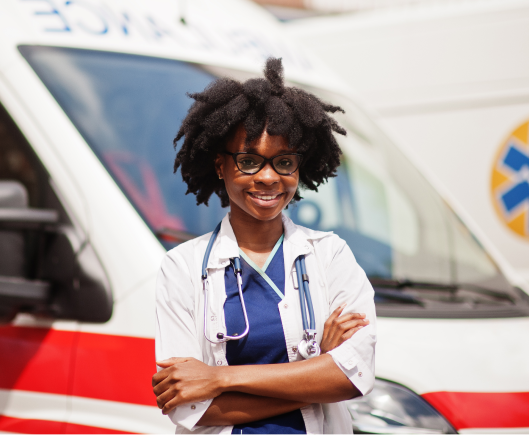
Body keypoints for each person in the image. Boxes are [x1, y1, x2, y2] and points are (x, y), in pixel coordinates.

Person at [152, 58, 376, 435]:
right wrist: (318, 369)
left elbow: (354, 377)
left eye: (283, 162)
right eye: (249, 161)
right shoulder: (182, 268)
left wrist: (221, 380)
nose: (269, 177)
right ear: (221, 166)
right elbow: (189, 404)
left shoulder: (331, 255)